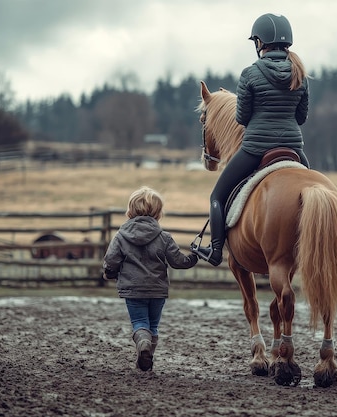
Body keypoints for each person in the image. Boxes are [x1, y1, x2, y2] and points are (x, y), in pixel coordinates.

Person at [191, 13, 311, 266]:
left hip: (256, 148)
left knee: (217, 196)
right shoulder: (300, 72)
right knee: (312, 189)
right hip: (293, 149)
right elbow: (301, 117)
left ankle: (214, 251)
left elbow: (243, 118)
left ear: (260, 42)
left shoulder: (250, 73)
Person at [103, 186, 198, 371]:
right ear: (158, 212)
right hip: (157, 290)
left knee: (140, 324)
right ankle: (146, 358)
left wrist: (109, 273)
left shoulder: (121, 236)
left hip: (133, 289)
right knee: (153, 325)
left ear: (130, 210)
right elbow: (179, 262)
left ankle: (143, 345)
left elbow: (111, 260)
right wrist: (194, 255)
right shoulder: (163, 237)